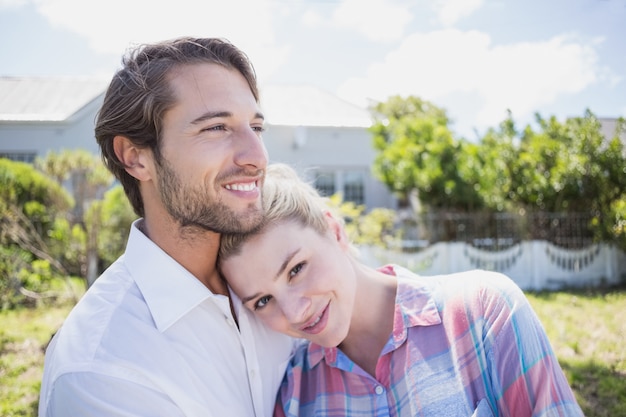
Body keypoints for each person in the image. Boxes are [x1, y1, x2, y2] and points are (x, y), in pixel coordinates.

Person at [39, 37, 297, 417]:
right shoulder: (102, 371)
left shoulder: (288, 283)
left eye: (256, 128)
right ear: (135, 157)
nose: (256, 157)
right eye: (216, 128)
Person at [218, 163, 584, 417]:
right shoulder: (296, 394)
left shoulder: (484, 310)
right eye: (263, 300)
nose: (295, 313)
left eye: (296, 269)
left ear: (334, 230)